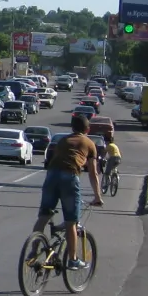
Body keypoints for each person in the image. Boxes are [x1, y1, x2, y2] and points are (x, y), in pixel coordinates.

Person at [34, 112, 103, 269]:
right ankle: (73, 259)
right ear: (87, 129)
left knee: (43, 216)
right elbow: (93, 173)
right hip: (69, 177)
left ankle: (33, 252)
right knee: (72, 221)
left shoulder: (62, 141)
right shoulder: (89, 143)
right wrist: (97, 196)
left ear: (72, 128)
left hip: (51, 176)